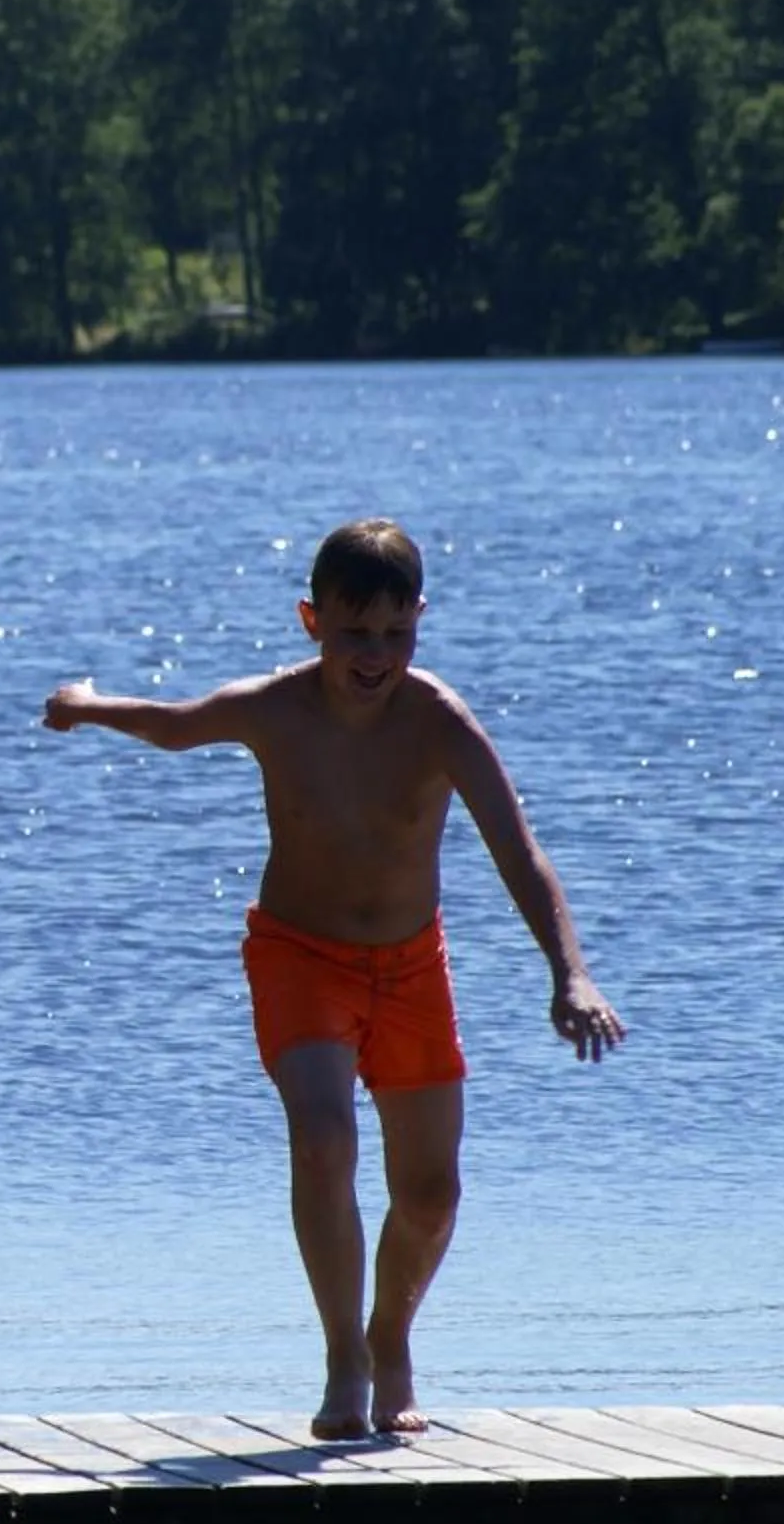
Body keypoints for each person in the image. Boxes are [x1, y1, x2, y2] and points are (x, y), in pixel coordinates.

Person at [43, 518, 622, 1441]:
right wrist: (87, 703)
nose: (376, 656)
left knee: (431, 1194)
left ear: (420, 623)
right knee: (322, 1138)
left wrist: (572, 974)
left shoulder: (439, 721)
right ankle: (343, 1359)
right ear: (314, 622)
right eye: (356, 633)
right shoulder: (276, 708)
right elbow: (175, 723)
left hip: (412, 966)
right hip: (299, 956)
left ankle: (390, 1339)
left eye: (397, 634)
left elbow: (520, 851)